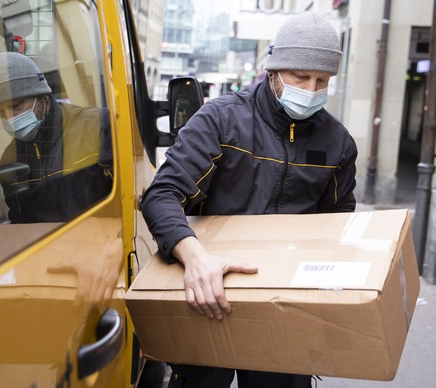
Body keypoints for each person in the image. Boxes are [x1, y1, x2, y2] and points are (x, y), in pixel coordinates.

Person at [141, 12, 357, 388]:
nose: (310, 89)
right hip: (208, 294)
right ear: (273, 71)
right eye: (299, 77)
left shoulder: (338, 143)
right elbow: (161, 194)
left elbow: (336, 226)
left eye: (322, 81)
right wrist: (195, 259)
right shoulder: (221, 120)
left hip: (283, 307)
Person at [0, 51, 113, 223]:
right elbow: (20, 226)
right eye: (0, 111)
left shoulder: (99, 127)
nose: (9, 118)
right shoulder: (10, 163)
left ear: (43, 96)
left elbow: (124, 198)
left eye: (16, 106)